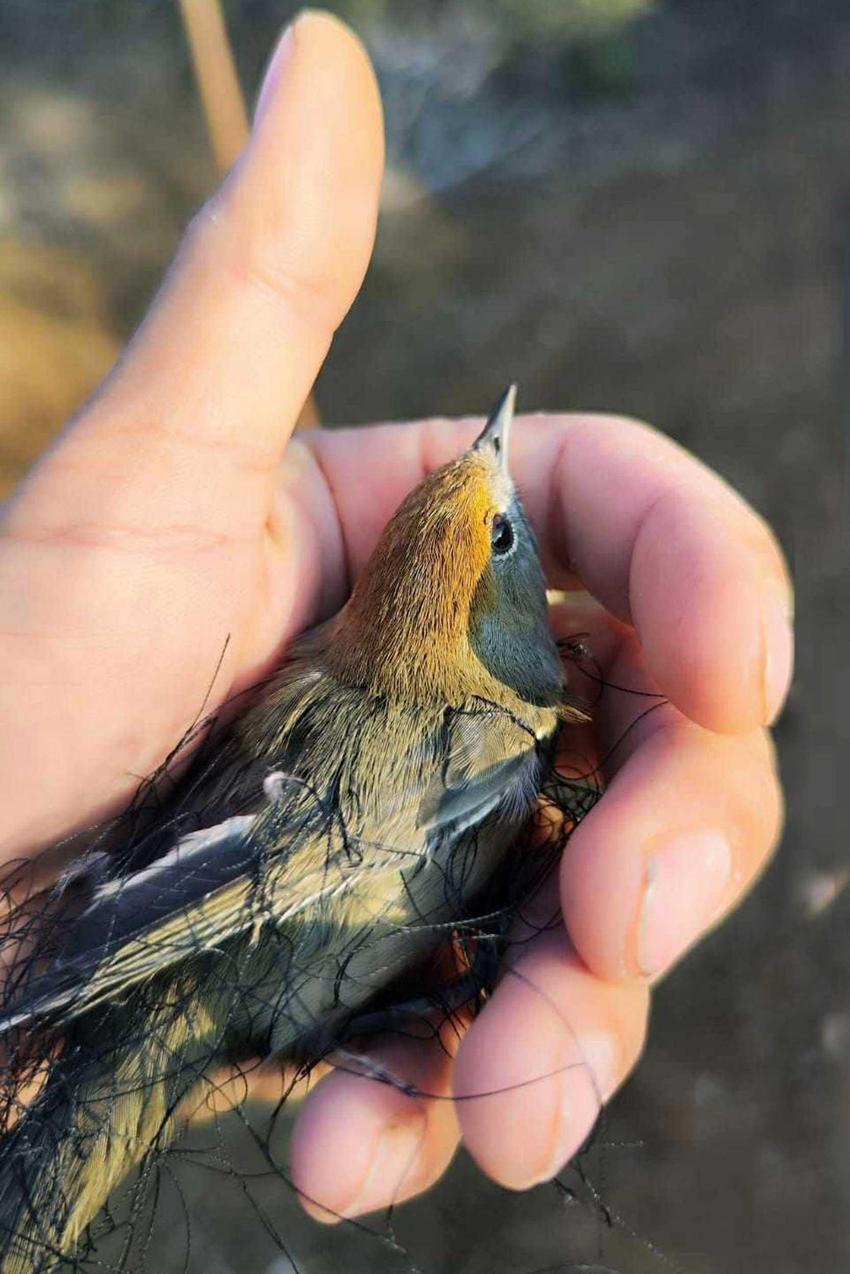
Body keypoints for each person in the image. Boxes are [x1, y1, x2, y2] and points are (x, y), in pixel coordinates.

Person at [0, 12, 790, 1224]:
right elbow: (246, 874)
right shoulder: (480, 740)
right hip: (200, 971)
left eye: (496, 515)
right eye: (507, 526)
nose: (494, 446)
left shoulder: (369, 675)